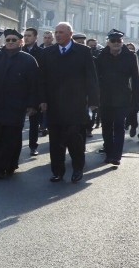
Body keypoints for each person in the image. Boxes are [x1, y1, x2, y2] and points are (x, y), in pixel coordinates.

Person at [38, 22, 99, 183]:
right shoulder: (48, 53)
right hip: (54, 104)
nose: (57, 35)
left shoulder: (83, 52)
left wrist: (93, 101)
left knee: (75, 140)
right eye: (56, 32)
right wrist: (42, 100)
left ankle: (78, 169)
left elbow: (91, 77)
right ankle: (57, 171)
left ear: (70, 34)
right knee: (56, 141)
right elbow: (42, 79)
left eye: (61, 32)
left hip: (76, 104)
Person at [0, 29, 39, 178]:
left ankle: (2, 167)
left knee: (11, 136)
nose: (10, 42)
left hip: (16, 105)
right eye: (8, 40)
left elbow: (34, 84)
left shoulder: (28, 60)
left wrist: (32, 105)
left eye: (14, 40)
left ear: (20, 42)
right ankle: (3, 165)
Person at [95, 29, 139, 167]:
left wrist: (136, 101)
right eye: (113, 41)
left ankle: (116, 156)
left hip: (123, 97)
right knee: (107, 127)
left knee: (119, 126)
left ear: (122, 42)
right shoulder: (101, 56)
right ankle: (109, 153)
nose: (116, 43)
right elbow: (95, 78)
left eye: (118, 41)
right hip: (105, 97)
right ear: (108, 42)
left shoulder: (131, 56)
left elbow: (136, 80)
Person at [21, 27, 44, 155]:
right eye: (25, 35)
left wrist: (42, 98)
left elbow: (43, 76)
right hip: (21, 91)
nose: (26, 38)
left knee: (34, 122)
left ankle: (33, 146)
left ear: (35, 37)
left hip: (35, 91)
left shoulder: (41, 53)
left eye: (29, 35)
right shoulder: (20, 51)